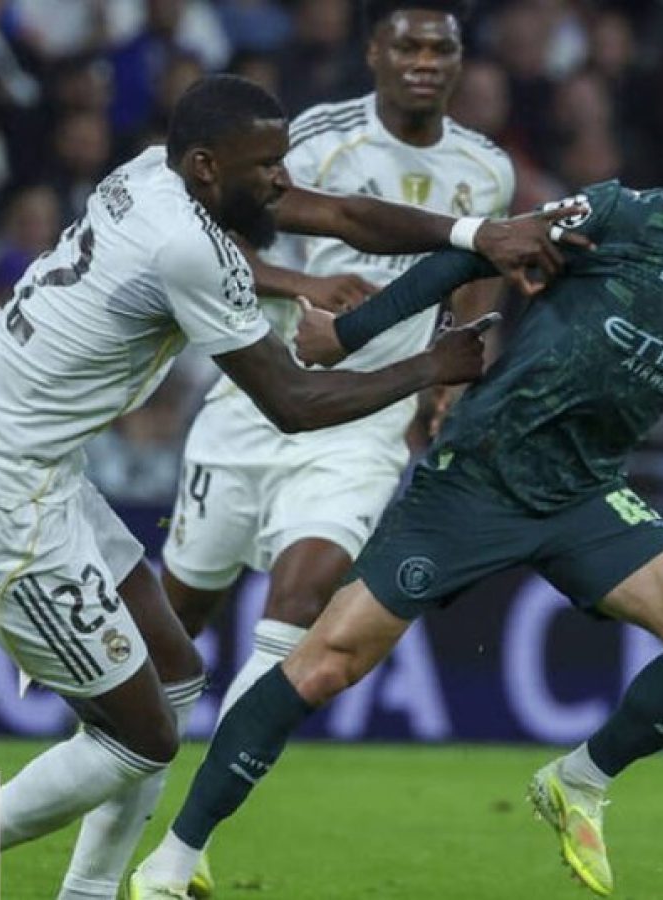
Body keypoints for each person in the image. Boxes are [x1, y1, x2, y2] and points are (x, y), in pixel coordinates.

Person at [131, 74, 663, 899]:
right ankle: (176, 857)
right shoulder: (621, 214)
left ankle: (579, 780)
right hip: (480, 475)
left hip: (584, 492)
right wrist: (350, 333)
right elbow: (477, 250)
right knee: (325, 663)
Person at [0, 73, 574, 900]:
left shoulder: (146, 174)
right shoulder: (185, 246)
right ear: (205, 165)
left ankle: (86, 894)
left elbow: (340, 216)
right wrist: (428, 368)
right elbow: (294, 403)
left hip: (29, 470)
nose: (279, 179)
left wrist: (477, 233)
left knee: (176, 678)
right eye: (264, 165)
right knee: (140, 739)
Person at [162, 1, 512, 883]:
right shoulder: (311, 139)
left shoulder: (487, 169)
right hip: (253, 405)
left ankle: (190, 835)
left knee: (301, 599)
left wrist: (448, 379)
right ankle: (107, 772)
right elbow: (209, 244)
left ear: (459, 60)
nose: (425, 60)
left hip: (363, 426)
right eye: (408, 44)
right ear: (373, 53)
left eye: (441, 47)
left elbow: (473, 281)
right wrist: (302, 285)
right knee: (178, 625)